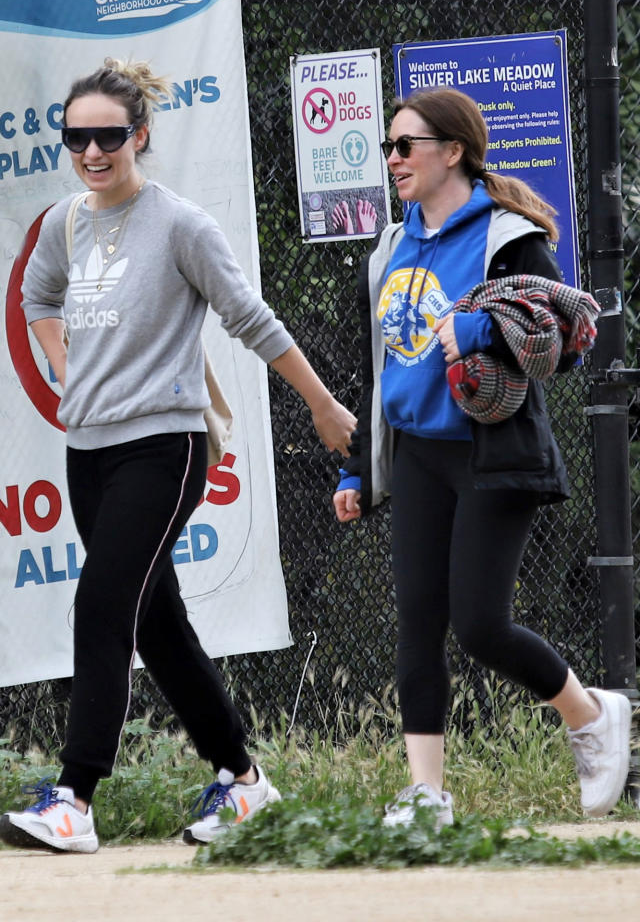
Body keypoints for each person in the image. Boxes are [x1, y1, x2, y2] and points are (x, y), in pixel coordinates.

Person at [0, 58, 355, 854]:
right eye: (76, 137)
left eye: (108, 136)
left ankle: (74, 798)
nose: (92, 151)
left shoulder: (182, 224)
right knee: (157, 627)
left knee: (99, 607)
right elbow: (35, 297)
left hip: (164, 446)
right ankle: (245, 781)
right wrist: (67, 370)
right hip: (86, 449)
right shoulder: (65, 222)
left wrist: (322, 402)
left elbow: (249, 317)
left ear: (141, 135)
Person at [333, 87, 631, 830]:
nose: (393, 160)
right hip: (419, 455)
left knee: (478, 625)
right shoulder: (390, 247)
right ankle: (428, 796)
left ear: (453, 152)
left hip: (493, 454)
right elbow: (379, 370)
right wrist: (358, 468)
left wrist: (480, 336)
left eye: (407, 146)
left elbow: (566, 339)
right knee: (416, 625)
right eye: (387, 148)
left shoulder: (506, 237)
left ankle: (590, 714)